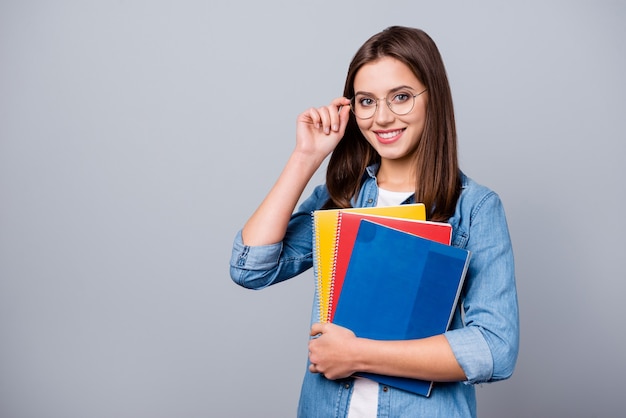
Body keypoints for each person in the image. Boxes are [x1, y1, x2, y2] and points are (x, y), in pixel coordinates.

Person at [230, 26, 519, 417]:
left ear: (433, 97)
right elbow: (250, 267)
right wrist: (305, 157)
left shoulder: (474, 208)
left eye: (401, 97)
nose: (382, 118)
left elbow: (495, 348)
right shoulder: (339, 200)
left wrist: (357, 355)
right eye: (366, 101)